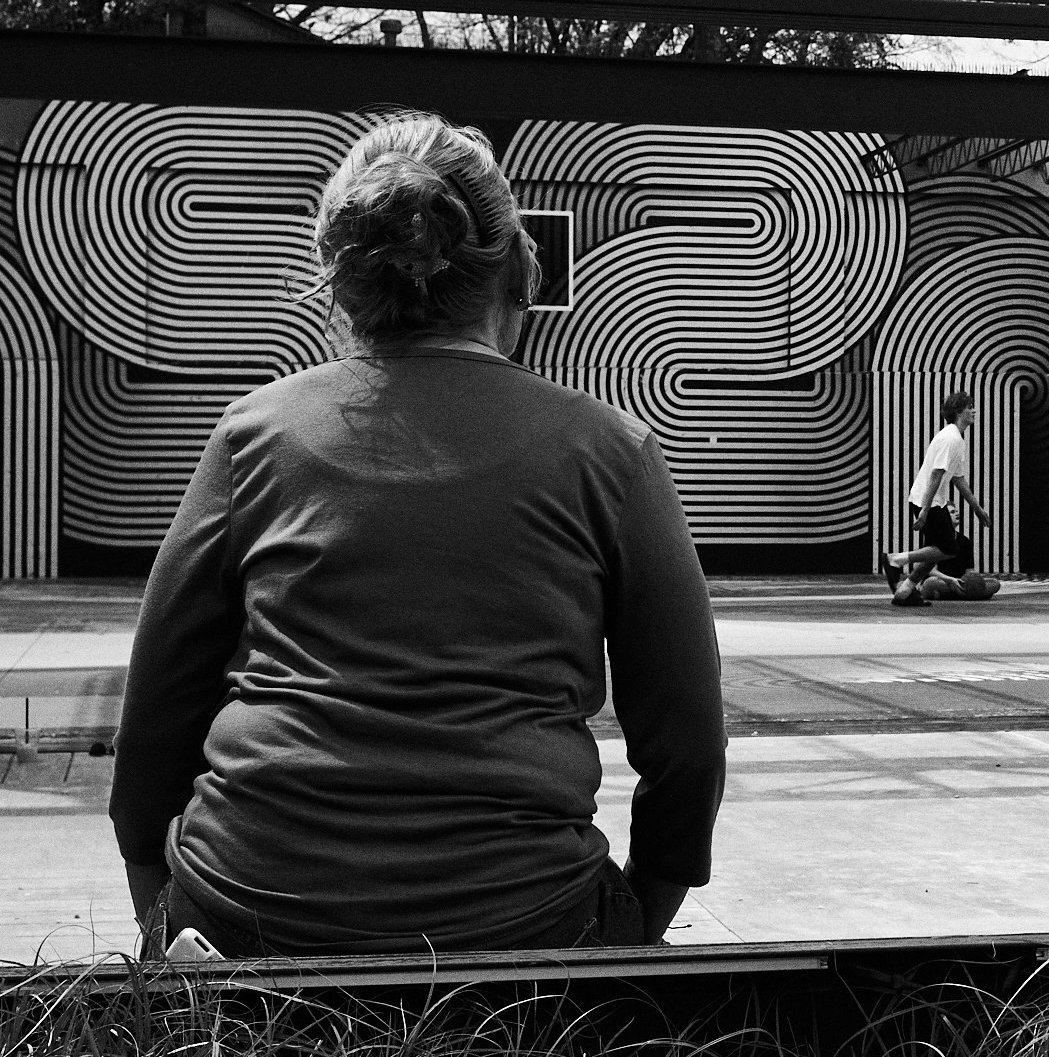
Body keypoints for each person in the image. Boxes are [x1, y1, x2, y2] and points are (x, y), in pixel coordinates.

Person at [110, 113, 725, 957]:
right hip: (529, 924)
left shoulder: (254, 436)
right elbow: (688, 743)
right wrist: (634, 921)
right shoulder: (610, 451)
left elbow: (153, 726)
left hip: (242, 921)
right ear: (515, 269)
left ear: (339, 281)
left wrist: (166, 911)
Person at [884, 390, 993, 607]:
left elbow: (959, 480)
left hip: (934, 500)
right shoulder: (950, 438)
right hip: (927, 499)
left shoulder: (957, 439)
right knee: (948, 549)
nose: (973, 410)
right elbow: (936, 474)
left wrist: (978, 509)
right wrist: (925, 509)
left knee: (936, 552)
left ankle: (905, 592)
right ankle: (895, 560)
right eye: (969, 407)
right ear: (958, 411)